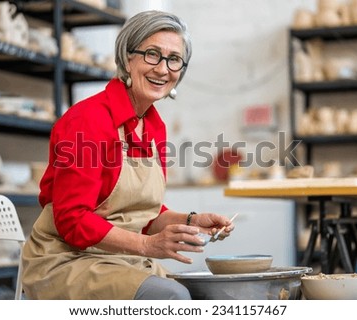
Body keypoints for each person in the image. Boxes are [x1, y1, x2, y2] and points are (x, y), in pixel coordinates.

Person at [21, 10, 235, 300]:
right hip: (66, 261)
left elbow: (141, 215)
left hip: (119, 259)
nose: (162, 69)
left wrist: (191, 220)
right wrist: (148, 246)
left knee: (209, 294)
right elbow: (72, 220)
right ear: (127, 58)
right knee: (172, 298)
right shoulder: (88, 120)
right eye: (152, 54)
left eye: (174, 60)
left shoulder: (154, 124)